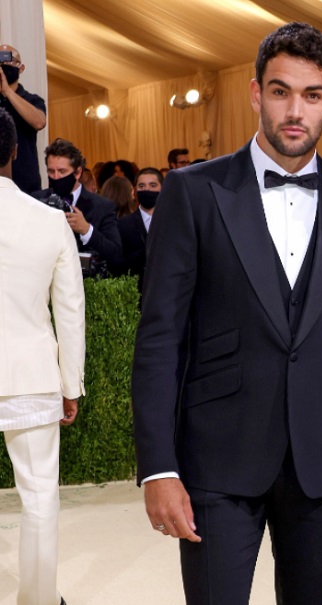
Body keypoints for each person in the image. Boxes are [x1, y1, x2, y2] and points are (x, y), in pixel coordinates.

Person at [131, 22, 322, 605]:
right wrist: (158, 468)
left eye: (312, 94)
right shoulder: (193, 191)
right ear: (255, 93)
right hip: (216, 462)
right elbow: (160, 340)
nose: (295, 110)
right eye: (280, 91)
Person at [0, 107, 85, 605]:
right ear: (15, 152)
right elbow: (69, 313)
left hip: (25, 376)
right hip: (30, 375)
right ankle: (36, 600)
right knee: (38, 498)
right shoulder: (51, 222)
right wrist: (70, 386)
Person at [36, 138, 122, 274]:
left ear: (77, 173)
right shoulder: (36, 201)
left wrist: (87, 230)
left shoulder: (102, 207)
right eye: (51, 171)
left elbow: (115, 253)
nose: (56, 177)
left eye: (62, 171)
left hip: (86, 287)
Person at [0, 44, 46, 194]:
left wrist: (7, 91)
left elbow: (39, 122)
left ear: (21, 68)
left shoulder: (32, 100)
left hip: (26, 184)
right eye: (1, 59)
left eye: (10, 59)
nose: (5, 63)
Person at [109, 167, 163, 292]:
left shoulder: (175, 223)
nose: (147, 190)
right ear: (135, 190)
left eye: (153, 185)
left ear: (163, 189)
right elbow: (115, 263)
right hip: (136, 296)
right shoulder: (122, 225)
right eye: (142, 186)